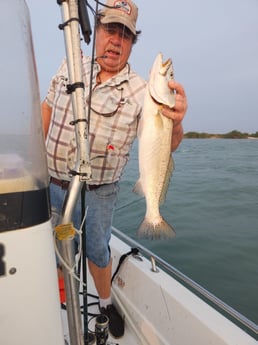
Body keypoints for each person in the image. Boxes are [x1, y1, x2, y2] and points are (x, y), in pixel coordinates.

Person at [41, 0, 187, 339]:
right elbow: (47, 109)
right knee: (60, 246)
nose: (116, 41)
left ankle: (104, 303)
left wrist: (176, 123)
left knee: (97, 250)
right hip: (53, 181)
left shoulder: (142, 91)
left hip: (101, 191)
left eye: (126, 35)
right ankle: (59, 293)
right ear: (98, 31)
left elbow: (166, 143)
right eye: (110, 30)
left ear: (133, 43)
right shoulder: (70, 64)